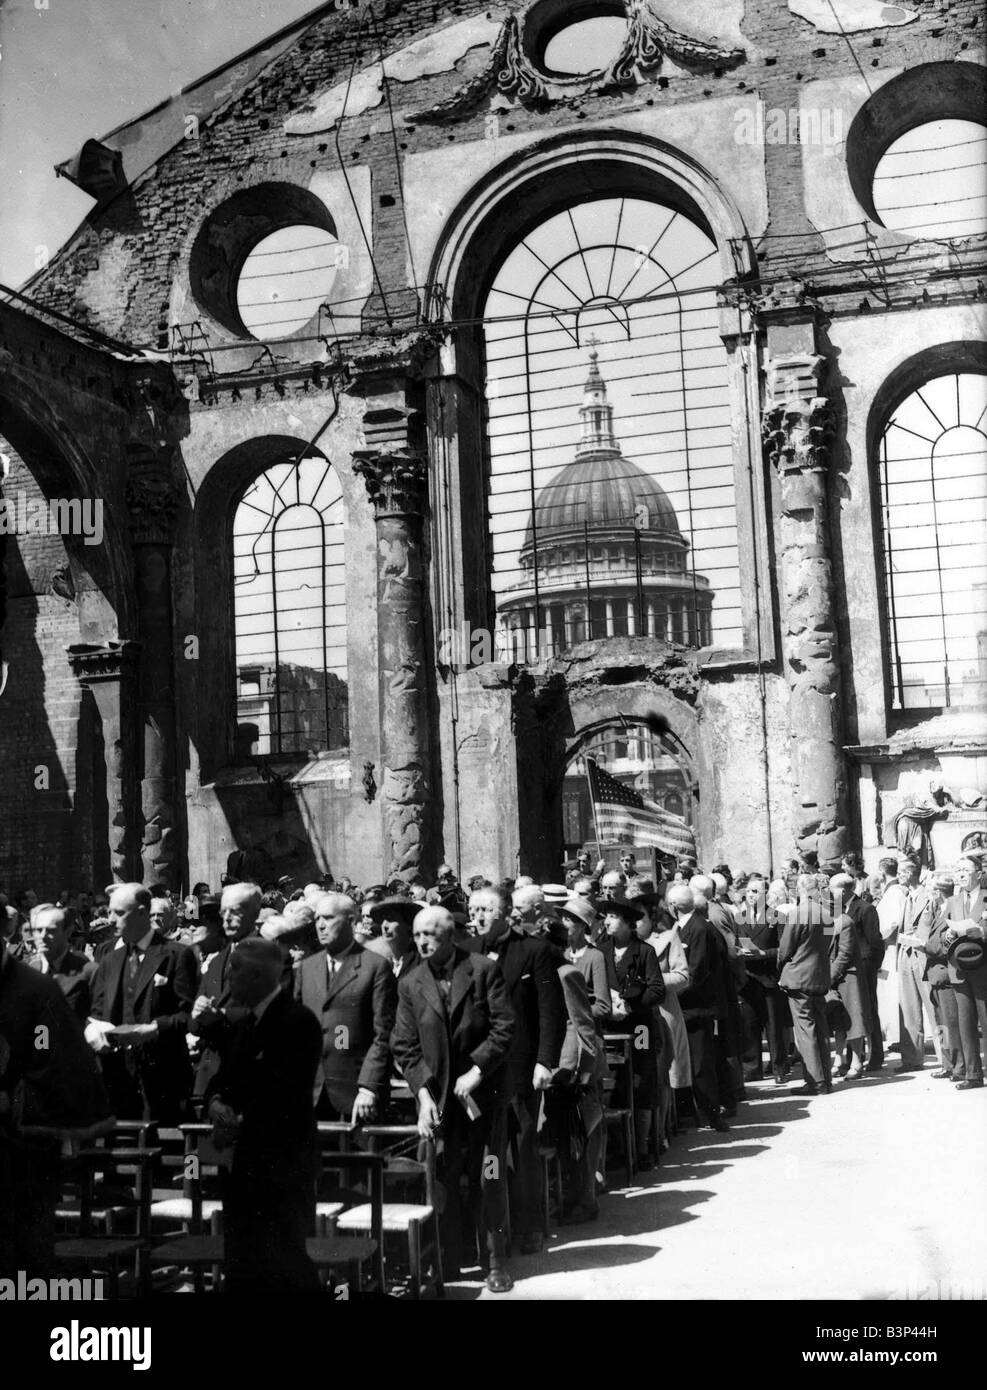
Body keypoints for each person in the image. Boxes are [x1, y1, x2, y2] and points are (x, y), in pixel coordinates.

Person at [391, 906, 516, 1292]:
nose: (423, 942)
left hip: (484, 1102)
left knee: (489, 1177)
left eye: (431, 935)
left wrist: (478, 1070)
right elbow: (405, 1046)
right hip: (439, 1104)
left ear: (451, 936)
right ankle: (445, 1261)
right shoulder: (411, 984)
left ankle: (494, 1261)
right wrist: (423, 1093)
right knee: (442, 1181)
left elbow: (504, 1027)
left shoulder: (481, 970)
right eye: (417, 936)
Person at [206, 937, 323, 1294]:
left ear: (255, 976)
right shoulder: (246, 1025)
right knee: (244, 1265)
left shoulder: (297, 1021)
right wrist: (216, 1103)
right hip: (246, 1165)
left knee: (285, 1265)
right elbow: (222, 1079)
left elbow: (285, 1094)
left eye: (233, 974)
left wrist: (237, 1121)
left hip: (282, 1168)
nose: (228, 983)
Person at [0, 933, 113, 1279]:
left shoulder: (35, 991)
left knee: (25, 1250)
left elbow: (48, 1056)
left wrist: (10, 1093)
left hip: (22, 1142)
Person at [469, 886, 565, 1257]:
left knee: (524, 1146)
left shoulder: (535, 952)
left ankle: (529, 1225)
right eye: (473, 909)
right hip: (481, 1069)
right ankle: (493, 1228)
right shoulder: (467, 951)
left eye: (486, 910)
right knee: (489, 1152)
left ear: (507, 912)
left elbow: (549, 1011)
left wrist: (545, 1060)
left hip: (523, 1066)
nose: (477, 916)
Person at [86, 883, 197, 1122]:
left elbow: (188, 1016)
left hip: (163, 1076)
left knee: (168, 1152)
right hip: (119, 1078)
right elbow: (96, 1013)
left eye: (119, 913)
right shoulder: (110, 960)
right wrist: (96, 1032)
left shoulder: (175, 954)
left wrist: (153, 1029)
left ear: (142, 912)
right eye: (109, 913)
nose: (111, 920)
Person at [294, 893, 396, 1123]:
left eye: (329, 918)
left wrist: (369, 1087)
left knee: (357, 1159)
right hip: (311, 1094)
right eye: (318, 918)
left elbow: (384, 1033)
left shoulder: (375, 966)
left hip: (358, 1097)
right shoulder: (306, 968)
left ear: (351, 921)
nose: (320, 925)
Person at [598, 897, 665, 1168]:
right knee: (613, 1083)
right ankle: (616, 1148)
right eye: (607, 917)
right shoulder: (599, 952)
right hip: (609, 1027)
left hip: (639, 1026)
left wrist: (631, 1004)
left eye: (613, 917)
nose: (607, 921)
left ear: (627, 923)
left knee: (641, 1077)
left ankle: (641, 1147)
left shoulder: (644, 951)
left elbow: (657, 989)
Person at [670, 883, 727, 1130]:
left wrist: (674, 991)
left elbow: (696, 970)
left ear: (673, 907)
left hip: (696, 1007)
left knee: (702, 1064)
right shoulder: (683, 928)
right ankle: (694, 1112)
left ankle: (713, 1114)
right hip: (685, 1007)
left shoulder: (698, 929)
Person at [777, 877, 832, 1096]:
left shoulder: (798, 913)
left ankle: (816, 1081)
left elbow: (785, 948)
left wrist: (782, 967)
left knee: (806, 1031)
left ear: (800, 890)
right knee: (820, 1029)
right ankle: (825, 1078)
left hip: (799, 977)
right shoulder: (827, 914)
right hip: (819, 976)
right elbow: (828, 943)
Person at [938, 857, 986, 1089]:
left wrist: (983, 932)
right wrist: (946, 936)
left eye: (966, 870)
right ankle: (973, 1075)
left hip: (983, 968)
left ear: (979, 872)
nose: (961, 874)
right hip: (958, 969)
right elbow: (939, 933)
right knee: (965, 1024)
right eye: (958, 870)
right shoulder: (953, 901)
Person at [737, 876, 789, 1085]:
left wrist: (761, 954)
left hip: (768, 979)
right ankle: (752, 1068)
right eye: (748, 892)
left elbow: (784, 949)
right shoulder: (740, 917)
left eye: (755, 892)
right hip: (748, 979)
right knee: (749, 1025)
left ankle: (779, 1068)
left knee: (773, 1026)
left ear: (765, 895)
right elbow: (736, 941)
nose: (751, 895)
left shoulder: (776, 917)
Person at [895, 856, 943, 1072]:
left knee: (934, 1007)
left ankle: (946, 1059)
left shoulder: (928, 895)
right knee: (908, 1007)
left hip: (923, 955)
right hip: (905, 954)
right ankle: (912, 1058)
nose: (898, 876)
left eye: (901, 872)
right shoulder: (906, 897)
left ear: (912, 873)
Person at [826, 890, 872, 1082]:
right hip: (835, 976)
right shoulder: (827, 924)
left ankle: (856, 1062)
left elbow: (844, 954)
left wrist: (828, 977)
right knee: (839, 1023)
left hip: (848, 977)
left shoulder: (844, 922)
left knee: (854, 1022)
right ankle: (839, 1059)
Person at [29, 905, 96, 1021]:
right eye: (38, 930)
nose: (42, 936)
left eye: (50, 930)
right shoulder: (28, 971)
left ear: (68, 932)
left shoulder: (87, 971)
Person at [558, 896, 609, 1025]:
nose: (563, 924)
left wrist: (574, 1013)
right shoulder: (561, 954)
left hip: (585, 1031)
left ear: (581, 926)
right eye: (562, 919)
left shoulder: (595, 957)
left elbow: (603, 1007)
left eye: (568, 920)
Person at [366, 896, 421, 980]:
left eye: (390, 919)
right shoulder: (382, 962)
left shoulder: (419, 961)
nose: (384, 926)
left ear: (408, 923)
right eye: (381, 921)